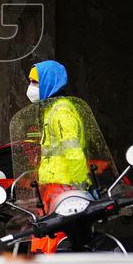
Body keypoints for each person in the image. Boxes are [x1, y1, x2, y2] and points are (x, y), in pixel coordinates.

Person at [27, 60, 90, 196]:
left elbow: (74, 152)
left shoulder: (61, 112)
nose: (30, 87)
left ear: (48, 82)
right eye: (30, 81)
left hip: (67, 187)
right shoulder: (51, 109)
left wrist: (80, 187)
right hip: (55, 185)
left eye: (34, 82)